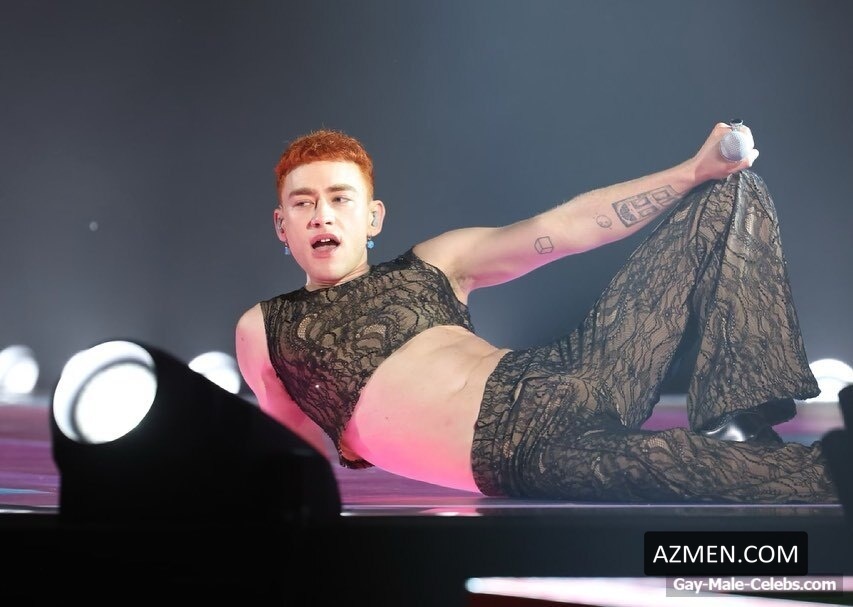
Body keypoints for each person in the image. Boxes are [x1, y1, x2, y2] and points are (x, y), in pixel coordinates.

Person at [235, 123, 839, 503]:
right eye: (303, 203)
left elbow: (564, 228)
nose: (322, 215)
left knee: (731, 190)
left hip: (573, 371)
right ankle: (751, 453)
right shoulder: (264, 328)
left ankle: (738, 415)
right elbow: (292, 456)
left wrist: (692, 171)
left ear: (372, 218)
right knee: (783, 475)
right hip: (524, 453)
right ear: (282, 226)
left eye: (340, 199)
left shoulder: (435, 261)